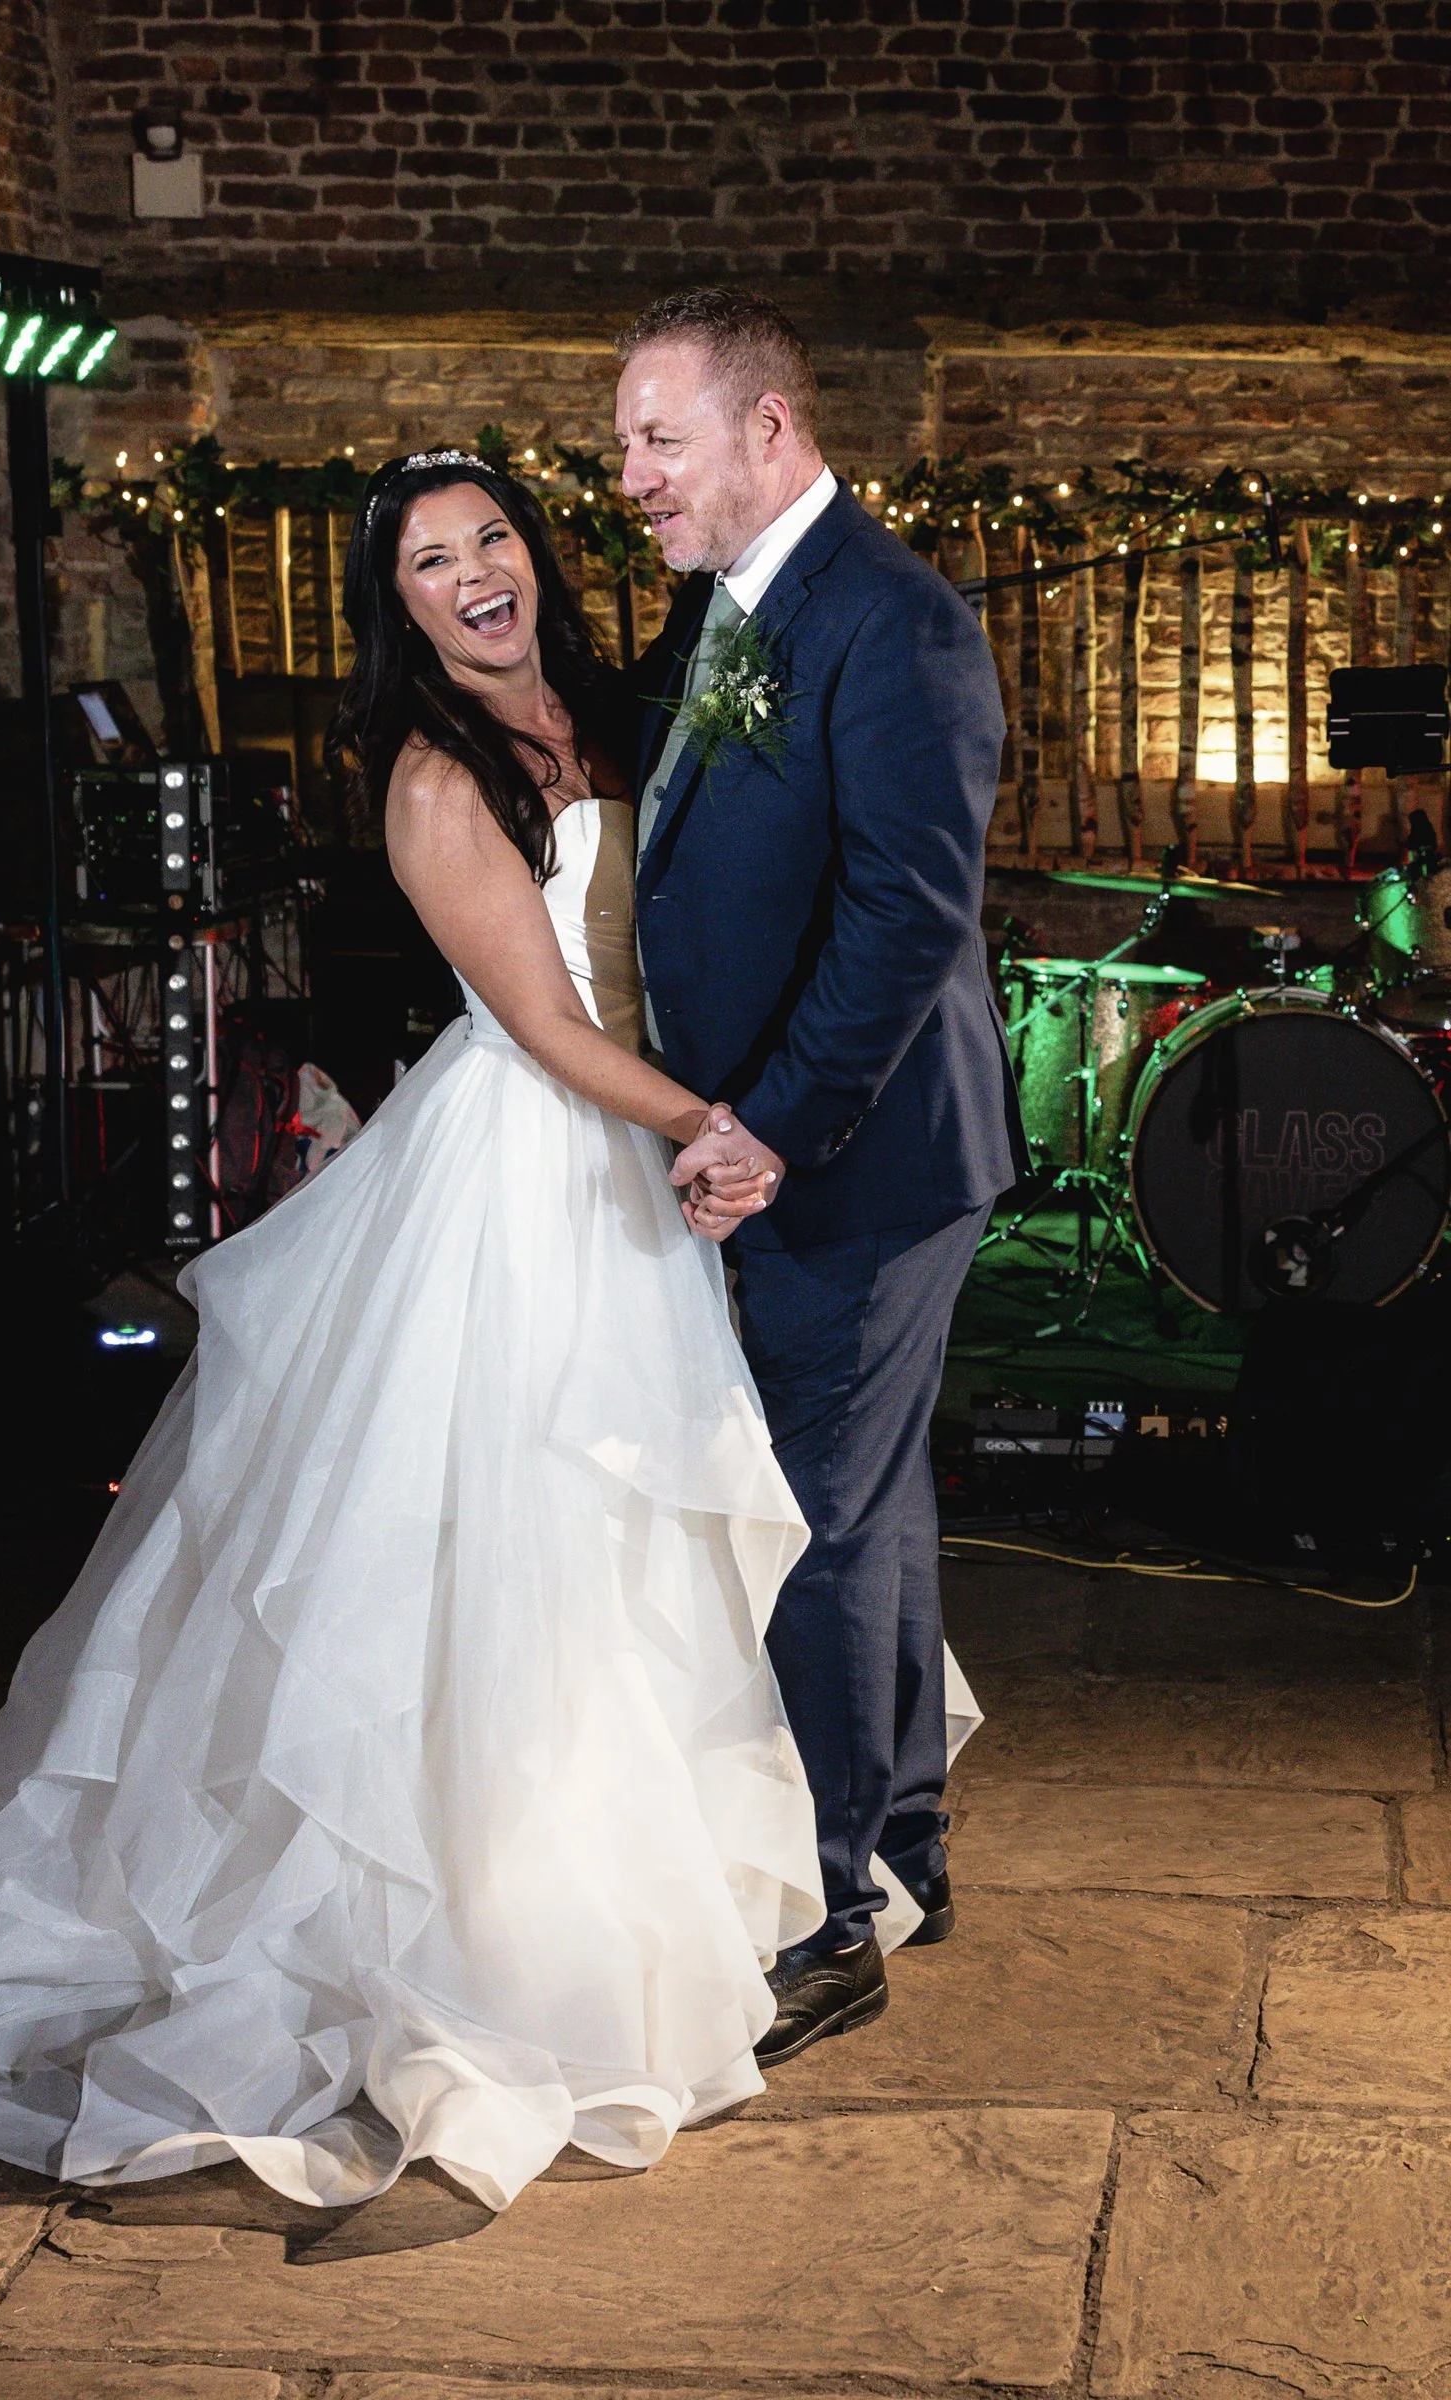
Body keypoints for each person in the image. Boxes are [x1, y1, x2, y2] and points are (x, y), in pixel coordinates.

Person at [0, 449, 828, 2215]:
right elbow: (538, 1022)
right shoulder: (436, 782)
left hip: (630, 1167)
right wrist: (712, 1128)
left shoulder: (608, 709)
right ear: (397, 607)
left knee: (599, 1554)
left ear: (534, 553)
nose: (471, 578)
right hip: (535, 1172)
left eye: (490, 541)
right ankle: (444, 1919)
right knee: (472, 1549)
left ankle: (587, 1880)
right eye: (430, 563)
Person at [618, 289, 1029, 2064]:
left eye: (659, 439)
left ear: (769, 432)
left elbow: (903, 918)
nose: (627, 475)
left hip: (860, 1157)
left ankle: (831, 1910)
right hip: (806, 1145)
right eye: (623, 443)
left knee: (820, 1524)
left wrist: (768, 1128)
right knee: (872, 1510)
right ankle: (911, 1851)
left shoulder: (897, 622)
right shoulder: (727, 604)